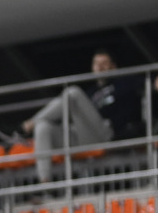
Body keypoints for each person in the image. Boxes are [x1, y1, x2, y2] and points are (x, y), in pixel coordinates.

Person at [14, 49, 153, 183]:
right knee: (43, 127)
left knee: (73, 92)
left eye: (104, 63)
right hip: (84, 136)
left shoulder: (124, 82)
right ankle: (45, 184)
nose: (100, 67)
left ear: (113, 67)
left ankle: (27, 125)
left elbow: (150, 83)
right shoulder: (90, 93)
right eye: (96, 64)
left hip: (106, 134)